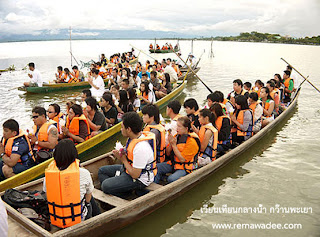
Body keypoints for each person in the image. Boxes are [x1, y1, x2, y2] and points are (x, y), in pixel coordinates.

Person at [98, 112, 157, 198]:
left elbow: (135, 175)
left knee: (105, 186)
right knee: (102, 171)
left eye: (122, 127)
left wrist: (123, 160)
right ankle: (120, 189)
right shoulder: (133, 138)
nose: (121, 129)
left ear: (128, 129)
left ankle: (126, 194)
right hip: (128, 169)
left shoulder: (141, 148)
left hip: (139, 179)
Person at [44, 139, 98, 227]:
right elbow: (88, 196)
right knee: (90, 199)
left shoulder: (49, 174)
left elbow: (47, 195)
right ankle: (97, 218)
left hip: (57, 218)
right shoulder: (84, 173)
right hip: (78, 219)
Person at [154, 116, 200, 183]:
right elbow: (168, 153)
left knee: (171, 179)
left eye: (179, 126)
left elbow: (182, 159)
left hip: (185, 168)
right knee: (157, 167)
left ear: (186, 128)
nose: (177, 128)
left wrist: (173, 145)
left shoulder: (192, 142)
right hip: (174, 164)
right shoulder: (177, 136)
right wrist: (170, 142)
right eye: (177, 126)